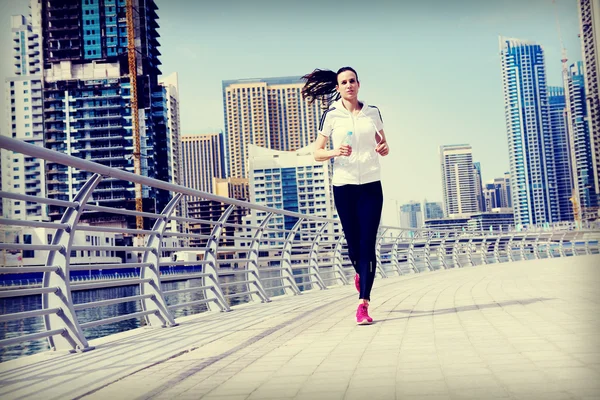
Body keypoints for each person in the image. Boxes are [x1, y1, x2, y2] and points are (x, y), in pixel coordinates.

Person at [301, 67, 389, 325]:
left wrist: (383, 147)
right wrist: (335, 151)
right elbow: (316, 152)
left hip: (371, 184)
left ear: (358, 84)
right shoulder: (331, 115)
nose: (349, 85)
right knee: (353, 244)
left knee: (367, 244)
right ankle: (360, 274)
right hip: (344, 185)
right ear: (338, 88)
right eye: (344, 82)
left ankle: (363, 304)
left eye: (352, 81)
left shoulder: (373, 112)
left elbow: (384, 145)